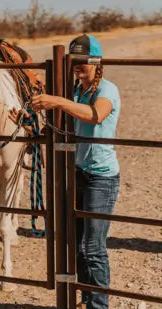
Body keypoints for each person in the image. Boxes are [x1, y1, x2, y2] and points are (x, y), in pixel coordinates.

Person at [9, 34, 120, 309]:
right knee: (79, 245)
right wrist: (28, 124)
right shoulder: (77, 92)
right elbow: (58, 129)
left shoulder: (107, 89)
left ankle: (98, 305)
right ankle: (85, 298)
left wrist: (57, 101)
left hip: (101, 177)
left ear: (96, 62)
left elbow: (96, 115)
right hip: (79, 173)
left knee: (92, 248)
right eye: (73, 62)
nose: (78, 67)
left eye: (83, 61)